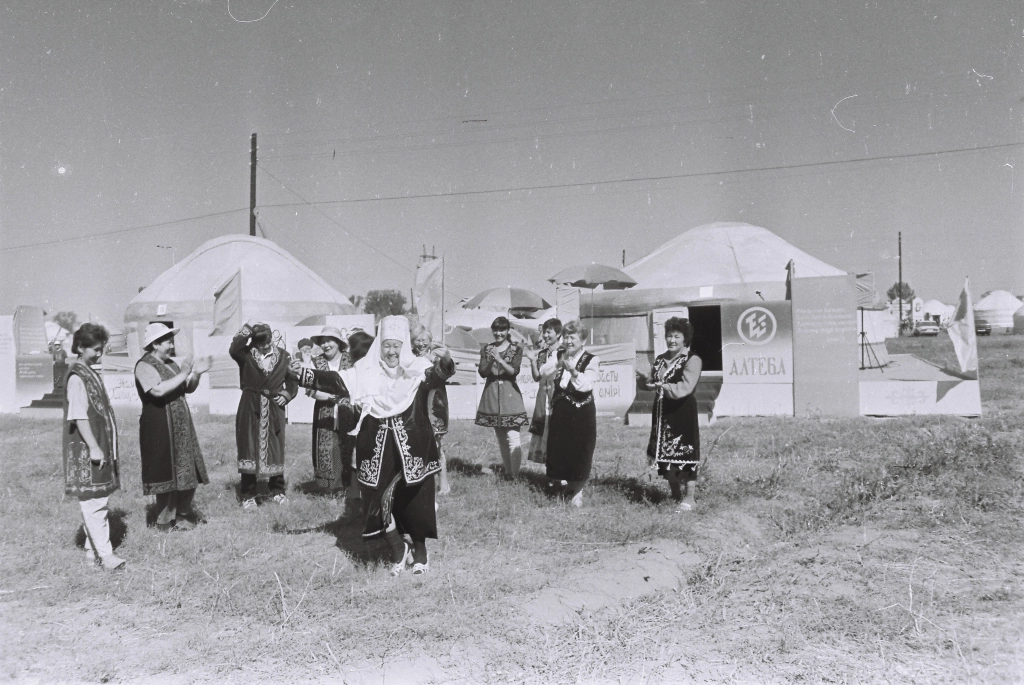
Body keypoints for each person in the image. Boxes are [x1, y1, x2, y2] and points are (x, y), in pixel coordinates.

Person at [290, 315, 455, 576]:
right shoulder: (365, 372)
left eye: (397, 345)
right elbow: (335, 381)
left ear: (405, 346)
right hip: (377, 447)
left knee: (415, 499)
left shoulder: (418, 368)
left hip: (412, 446)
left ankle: (420, 552)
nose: (391, 351)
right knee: (375, 500)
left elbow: (438, 376)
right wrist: (303, 374)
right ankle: (398, 550)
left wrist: (445, 359)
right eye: (387, 345)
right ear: (379, 346)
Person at [135, 323, 212, 531]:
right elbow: (158, 391)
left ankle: (181, 515)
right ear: (156, 344)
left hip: (180, 425)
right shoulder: (144, 365)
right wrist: (183, 373)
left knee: (188, 471)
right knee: (166, 474)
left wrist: (196, 374)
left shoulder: (171, 364)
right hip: (159, 425)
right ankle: (164, 522)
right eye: (167, 341)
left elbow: (186, 387)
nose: (171, 345)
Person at [63, 323, 124, 570]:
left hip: (96, 446)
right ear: (80, 347)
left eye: (102, 349)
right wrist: (95, 448)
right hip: (86, 449)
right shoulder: (77, 376)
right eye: (95, 349)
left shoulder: (89, 372)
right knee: (94, 502)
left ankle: (92, 552)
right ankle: (106, 556)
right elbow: (79, 416)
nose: (100, 354)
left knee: (98, 499)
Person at [230, 320, 298, 509]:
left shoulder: (284, 357)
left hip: (274, 407)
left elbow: (292, 380)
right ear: (254, 342)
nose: (265, 345)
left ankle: (277, 491)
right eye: (260, 343)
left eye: (267, 341)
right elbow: (234, 348)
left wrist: (286, 394)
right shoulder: (245, 356)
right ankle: (248, 495)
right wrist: (248, 328)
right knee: (248, 447)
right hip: (250, 407)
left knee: (275, 446)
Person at [642, 317, 703, 512]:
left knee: (684, 453)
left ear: (685, 339)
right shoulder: (660, 359)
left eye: (677, 336)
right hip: (662, 411)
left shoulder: (692, 359)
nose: (672, 340)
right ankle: (674, 493)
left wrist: (662, 386)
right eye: (669, 336)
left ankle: (690, 497)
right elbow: (652, 381)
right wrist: (645, 381)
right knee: (665, 453)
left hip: (682, 411)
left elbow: (686, 386)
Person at [545, 320, 600, 508]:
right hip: (562, 409)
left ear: (582, 340)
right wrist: (558, 363)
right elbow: (544, 372)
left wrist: (574, 372)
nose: (568, 341)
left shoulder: (592, 360)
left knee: (580, 451)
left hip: (581, 412)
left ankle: (578, 491)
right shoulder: (558, 355)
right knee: (561, 449)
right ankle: (567, 486)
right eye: (566, 337)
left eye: (573, 337)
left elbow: (587, 385)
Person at [474, 316, 529, 478]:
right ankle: (508, 471)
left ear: (508, 331)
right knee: (501, 438)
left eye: (502, 330)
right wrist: (491, 360)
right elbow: (483, 372)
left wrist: (499, 359)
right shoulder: (486, 349)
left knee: (513, 437)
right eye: (496, 329)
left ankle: (515, 474)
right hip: (492, 395)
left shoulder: (515, 349)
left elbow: (513, 371)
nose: (498, 333)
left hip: (510, 396)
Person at [307, 326, 357, 496]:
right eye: (323, 341)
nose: (326, 345)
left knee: (349, 446)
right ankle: (331, 488)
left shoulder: (352, 360)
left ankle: (351, 487)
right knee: (329, 447)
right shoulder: (316, 362)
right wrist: (330, 396)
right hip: (325, 411)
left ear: (339, 343)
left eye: (330, 340)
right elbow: (311, 390)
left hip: (349, 410)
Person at [411, 322, 451, 495]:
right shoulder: (408, 357)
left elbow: (445, 373)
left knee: (437, 445)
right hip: (414, 408)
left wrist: (446, 359)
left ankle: (444, 484)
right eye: (417, 340)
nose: (421, 343)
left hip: (435, 408)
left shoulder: (437, 357)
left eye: (425, 340)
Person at [524, 318, 562, 465]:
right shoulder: (542, 354)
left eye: (549, 332)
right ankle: (550, 472)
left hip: (557, 397)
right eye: (544, 332)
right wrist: (532, 361)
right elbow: (536, 377)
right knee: (545, 430)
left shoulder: (564, 352)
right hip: (543, 397)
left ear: (558, 334)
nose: (545, 336)